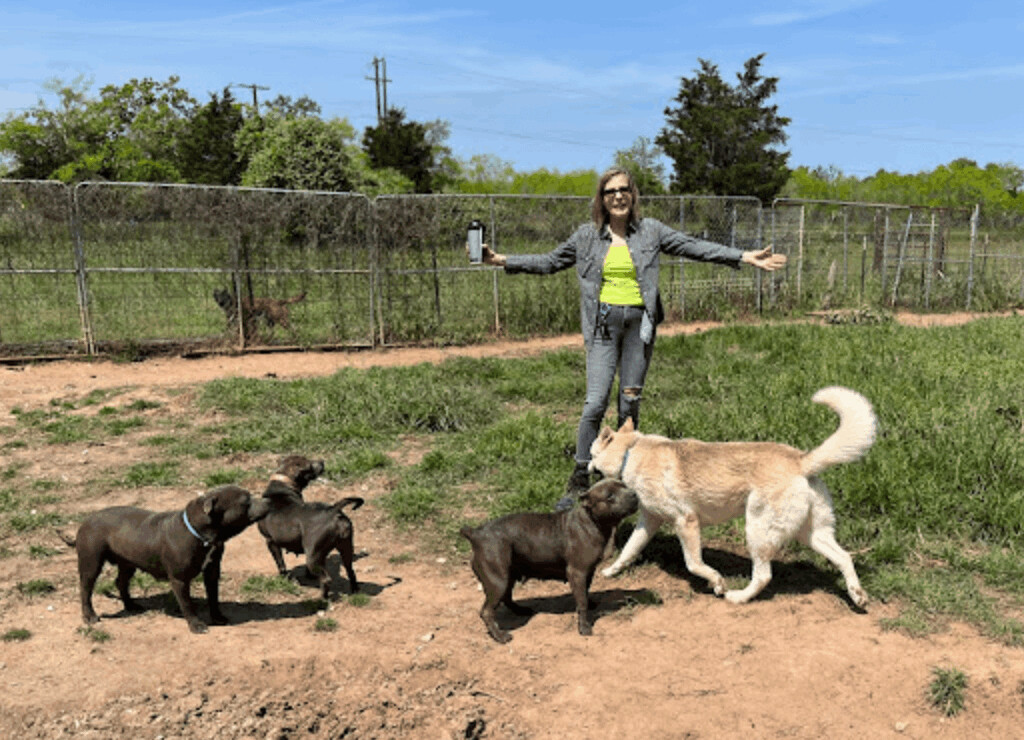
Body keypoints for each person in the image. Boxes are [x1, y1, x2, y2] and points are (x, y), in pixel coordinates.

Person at [478, 167, 787, 510]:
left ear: (633, 195)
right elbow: (550, 261)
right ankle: (581, 474)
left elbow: (694, 247)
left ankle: (624, 472)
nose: (618, 196)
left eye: (624, 189)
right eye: (610, 191)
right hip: (602, 327)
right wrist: (500, 260)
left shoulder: (651, 231)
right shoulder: (586, 236)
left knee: (629, 402)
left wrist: (743, 256)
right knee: (595, 403)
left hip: (639, 327)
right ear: (602, 199)